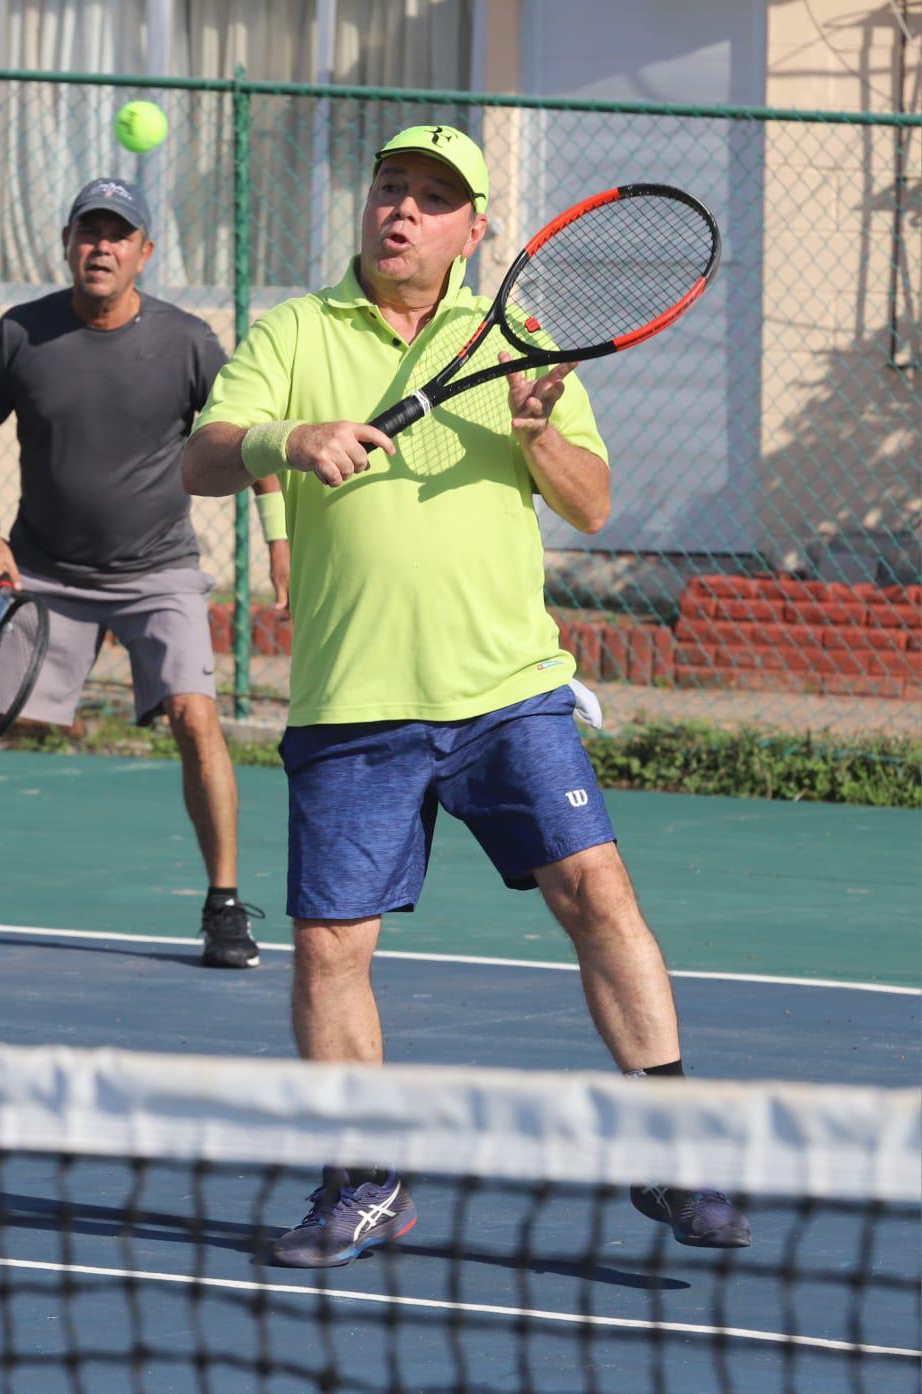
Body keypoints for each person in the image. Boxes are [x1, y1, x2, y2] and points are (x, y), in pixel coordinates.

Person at [182, 127, 751, 1260]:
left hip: (508, 691)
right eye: (389, 185)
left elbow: (590, 504)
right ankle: (365, 1180)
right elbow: (201, 453)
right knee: (330, 948)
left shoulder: (526, 341)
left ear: (474, 231)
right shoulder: (295, 331)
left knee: (598, 892)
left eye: (432, 198)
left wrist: (539, 438)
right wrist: (293, 439)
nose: (401, 209)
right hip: (352, 704)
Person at [0, 178, 287, 969]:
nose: (101, 247)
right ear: (68, 244)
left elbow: (250, 438)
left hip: (158, 569)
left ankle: (225, 909)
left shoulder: (189, 342)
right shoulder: (18, 335)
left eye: (118, 235)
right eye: (88, 233)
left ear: (144, 253)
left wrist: (277, 538)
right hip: (40, 570)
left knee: (197, 719)